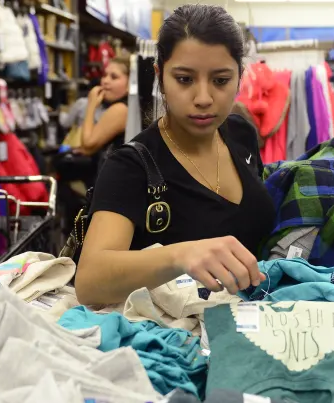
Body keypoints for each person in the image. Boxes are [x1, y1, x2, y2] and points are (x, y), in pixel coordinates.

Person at [74, 4, 275, 306]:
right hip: (177, 342)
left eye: (220, 80)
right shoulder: (132, 166)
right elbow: (90, 281)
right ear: (160, 77)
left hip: (251, 325)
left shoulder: (240, 133)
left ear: (239, 76)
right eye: (184, 79)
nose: (204, 98)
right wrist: (181, 254)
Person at [77, 55, 130, 156]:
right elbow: (89, 150)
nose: (105, 81)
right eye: (104, 75)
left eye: (113, 77)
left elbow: (87, 144)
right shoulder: (127, 107)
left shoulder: (121, 109)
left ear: (130, 83)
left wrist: (91, 105)